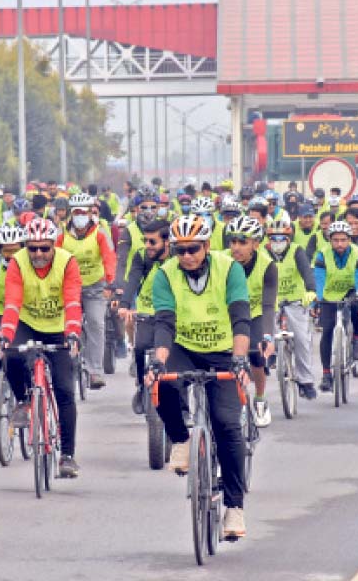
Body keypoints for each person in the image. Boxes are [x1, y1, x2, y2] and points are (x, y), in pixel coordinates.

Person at [146, 214, 251, 539]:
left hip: (223, 350)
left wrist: (239, 358)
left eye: (193, 248)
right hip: (184, 346)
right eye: (180, 250)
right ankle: (181, 439)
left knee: (228, 425)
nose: (187, 256)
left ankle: (234, 509)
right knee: (161, 384)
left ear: (206, 246)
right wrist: (158, 360)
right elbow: (164, 322)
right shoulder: (165, 274)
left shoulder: (229, 268)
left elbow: (241, 318)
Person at [0, 218, 83, 477]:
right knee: (10, 354)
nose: (38, 254)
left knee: (65, 390)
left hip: (59, 327)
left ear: (53, 245)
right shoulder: (17, 263)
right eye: (32, 248)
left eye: (44, 248)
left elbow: (72, 301)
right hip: (27, 322)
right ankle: (23, 402)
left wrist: (73, 334)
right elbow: (11, 303)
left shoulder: (68, 262)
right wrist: (5, 335)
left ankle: (67, 456)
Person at [55, 194, 117, 388]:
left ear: (91, 213)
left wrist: (110, 283)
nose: (81, 216)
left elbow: (109, 258)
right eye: (77, 212)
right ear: (71, 214)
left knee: (96, 324)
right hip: (69, 287)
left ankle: (95, 371)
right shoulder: (62, 235)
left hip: (95, 287)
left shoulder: (99, 233)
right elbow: (53, 260)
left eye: (85, 212)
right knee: (63, 325)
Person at [225, 216, 277, 426]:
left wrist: (266, 336)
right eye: (233, 241)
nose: (236, 247)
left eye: (243, 242)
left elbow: (268, 305)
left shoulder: (268, 266)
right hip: (227, 314)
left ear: (256, 243)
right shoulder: (221, 260)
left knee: (256, 354)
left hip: (255, 314)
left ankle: (260, 399)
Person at [118, 219, 171, 414]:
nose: (147, 246)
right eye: (145, 241)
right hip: (147, 311)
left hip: (172, 315)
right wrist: (124, 304)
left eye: (152, 242)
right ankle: (142, 387)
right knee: (140, 347)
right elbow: (132, 280)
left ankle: (181, 403)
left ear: (167, 242)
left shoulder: (177, 258)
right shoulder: (141, 257)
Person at [264, 215, 317, 399]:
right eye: (273, 239)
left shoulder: (297, 251)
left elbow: (306, 272)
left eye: (281, 239)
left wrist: (311, 290)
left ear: (288, 240)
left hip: (295, 300)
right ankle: (268, 357)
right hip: (272, 301)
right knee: (266, 329)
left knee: (302, 339)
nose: (277, 243)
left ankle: (306, 380)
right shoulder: (263, 253)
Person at [313, 221, 358, 391]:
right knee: (327, 330)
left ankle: (357, 338)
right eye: (335, 240)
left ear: (350, 239)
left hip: (350, 293)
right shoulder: (322, 255)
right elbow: (318, 280)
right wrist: (318, 300)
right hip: (328, 296)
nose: (340, 244)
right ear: (330, 240)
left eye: (343, 240)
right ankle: (327, 374)